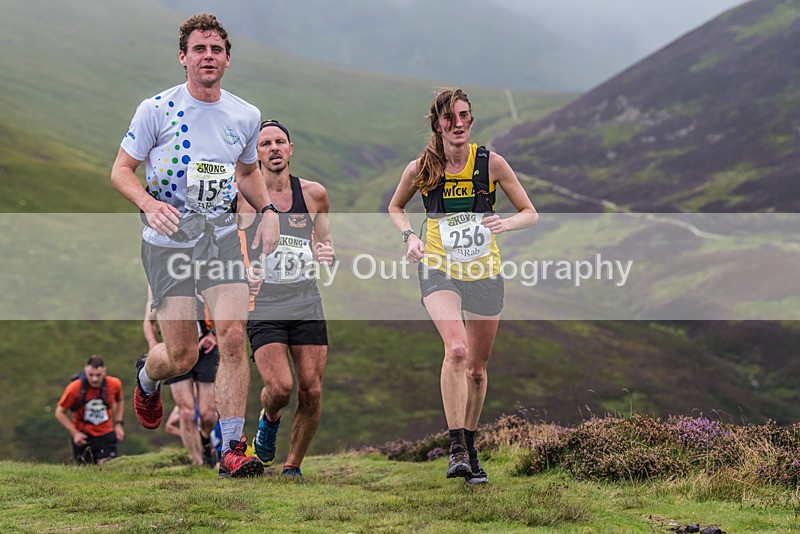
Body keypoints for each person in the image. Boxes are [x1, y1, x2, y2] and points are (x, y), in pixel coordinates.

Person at [111, 13, 279, 479]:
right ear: (183, 58)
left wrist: (267, 210)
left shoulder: (245, 115)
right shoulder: (156, 109)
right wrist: (148, 204)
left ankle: (232, 450)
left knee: (232, 336)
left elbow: (247, 173)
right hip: (169, 243)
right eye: (199, 49)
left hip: (221, 238)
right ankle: (147, 375)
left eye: (216, 50)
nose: (208, 57)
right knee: (181, 355)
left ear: (227, 59)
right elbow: (121, 171)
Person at [387, 88, 538, 485]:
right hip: (439, 269)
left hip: (485, 272)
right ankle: (456, 447)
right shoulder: (422, 167)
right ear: (437, 123)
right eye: (449, 118)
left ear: (471, 119)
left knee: (476, 370)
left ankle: (470, 447)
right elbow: (395, 206)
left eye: (464, 115)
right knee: (456, 349)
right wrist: (410, 237)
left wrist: (505, 223)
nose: (458, 124)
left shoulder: (491, 164)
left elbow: (530, 212)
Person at [237, 120, 334, 478]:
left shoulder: (313, 194)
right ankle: (269, 417)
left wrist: (327, 253)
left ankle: (292, 466)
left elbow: (323, 240)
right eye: (265, 144)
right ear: (256, 154)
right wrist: (242, 273)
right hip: (264, 302)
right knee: (280, 388)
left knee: (311, 389)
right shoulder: (243, 196)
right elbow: (225, 245)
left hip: (305, 298)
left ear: (291, 149)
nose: (274, 148)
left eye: (280, 142)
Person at [144, 291, 219, 467]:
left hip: (206, 350)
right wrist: (153, 345)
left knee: (208, 414)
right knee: (186, 412)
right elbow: (149, 320)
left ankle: (205, 439)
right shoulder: (160, 285)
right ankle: (198, 462)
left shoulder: (200, 279)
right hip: (176, 351)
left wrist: (213, 334)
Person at [55, 356, 125, 465]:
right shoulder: (74, 388)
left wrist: (118, 424)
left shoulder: (114, 384)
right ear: (85, 372)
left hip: (106, 433)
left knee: (108, 468)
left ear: (104, 372)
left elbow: (119, 400)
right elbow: (59, 412)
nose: (94, 379)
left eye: (98, 375)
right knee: (85, 471)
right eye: (91, 375)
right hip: (83, 436)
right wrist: (75, 433)